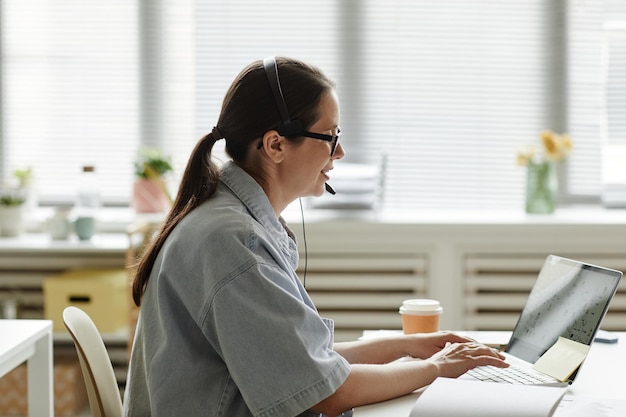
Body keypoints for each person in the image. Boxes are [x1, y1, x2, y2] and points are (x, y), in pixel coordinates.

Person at [123, 56, 508, 417]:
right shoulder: (233, 241)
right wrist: (437, 368)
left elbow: (299, 361)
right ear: (275, 145)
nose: (339, 151)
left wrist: (405, 347)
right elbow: (325, 391)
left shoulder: (231, 221)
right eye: (328, 135)